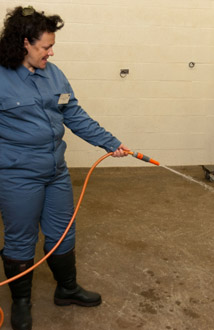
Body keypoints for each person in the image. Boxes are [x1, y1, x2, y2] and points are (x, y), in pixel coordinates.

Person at [0, 6, 130, 330]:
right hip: (17, 174)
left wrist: (111, 142)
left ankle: (67, 289)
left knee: (63, 233)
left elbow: (75, 115)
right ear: (24, 43)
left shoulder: (54, 74)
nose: (51, 51)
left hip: (56, 171)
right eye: (45, 46)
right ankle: (21, 303)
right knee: (21, 240)